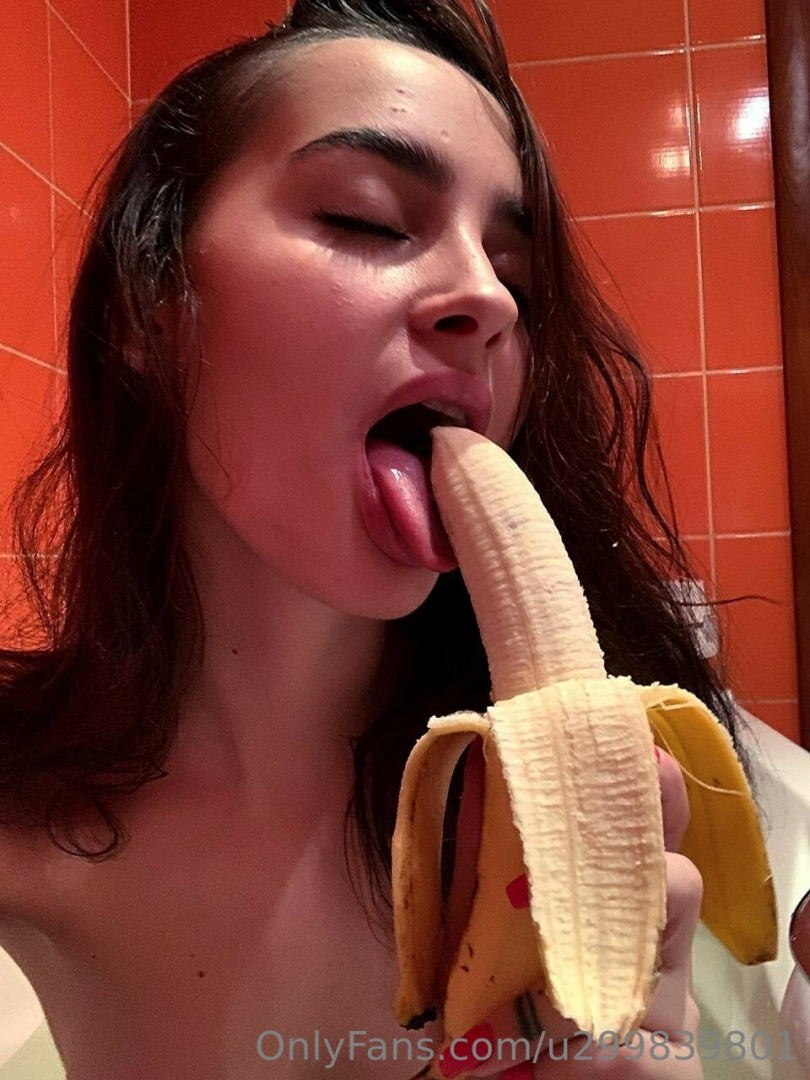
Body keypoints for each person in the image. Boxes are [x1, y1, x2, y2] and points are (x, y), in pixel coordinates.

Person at [0, 1, 756, 1076]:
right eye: (367, 219)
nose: (489, 300)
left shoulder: (590, 823)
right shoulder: (21, 831)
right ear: (146, 306)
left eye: (518, 277)